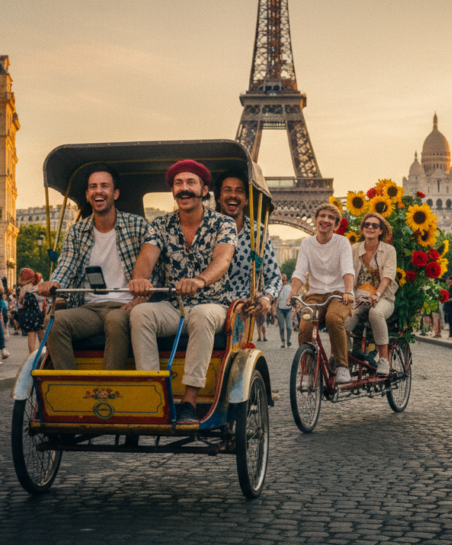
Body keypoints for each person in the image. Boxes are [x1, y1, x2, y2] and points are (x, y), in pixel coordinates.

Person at [128, 160, 236, 423]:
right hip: (173, 305)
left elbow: (222, 260)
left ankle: (189, 400)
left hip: (213, 303)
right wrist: (140, 279)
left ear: (204, 189)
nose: (183, 189)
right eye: (178, 184)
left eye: (190, 183)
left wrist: (200, 280)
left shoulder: (223, 223)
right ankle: (154, 394)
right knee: (141, 314)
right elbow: (147, 255)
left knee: (201, 315)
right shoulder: (161, 224)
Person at [37, 168, 149, 370]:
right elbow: (66, 265)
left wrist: (140, 299)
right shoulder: (77, 231)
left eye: (104, 186)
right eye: (93, 187)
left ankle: (109, 388)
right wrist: (53, 282)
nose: (99, 191)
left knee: (115, 321)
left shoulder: (138, 226)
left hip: (124, 306)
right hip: (89, 308)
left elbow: (153, 266)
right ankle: (68, 386)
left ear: (115, 194)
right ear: (88, 196)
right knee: (55, 321)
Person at [286, 203, 356, 384]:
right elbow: (300, 271)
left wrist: (348, 291)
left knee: (334, 319)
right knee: (305, 327)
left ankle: (342, 366)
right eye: (322, 216)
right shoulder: (306, 244)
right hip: (315, 295)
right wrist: (293, 292)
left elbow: (348, 269)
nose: (325, 220)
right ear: (316, 219)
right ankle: (308, 371)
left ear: (336, 224)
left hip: (339, 294)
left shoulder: (342, 242)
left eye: (331, 218)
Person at [212, 168, 281, 345]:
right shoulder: (204, 230)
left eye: (239, 191)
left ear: (247, 199)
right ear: (218, 197)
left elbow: (274, 276)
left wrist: (266, 298)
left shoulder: (258, 233)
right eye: (227, 190)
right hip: (209, 307)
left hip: (243, 310)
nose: (233, 195)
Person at [343, 212, 398, 375]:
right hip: (358, 298)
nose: (370, 227)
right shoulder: (354, 249)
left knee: (375, 313)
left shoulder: (389, 250)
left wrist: (377, 295)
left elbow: (387, 276)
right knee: (342, 321)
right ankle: (343, 359)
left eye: (375, 225)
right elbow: (348, 273)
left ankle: (383, 359)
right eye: (366, 224)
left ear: (381, 231)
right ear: (362, 228)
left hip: (383, 298)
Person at [275, 274, 293, 348]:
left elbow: (293, 296)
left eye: (285, 280)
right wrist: (273, 309)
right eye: (282, 280)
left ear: (286, 280)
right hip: (280, 309)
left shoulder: (289, 287)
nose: (283, 282)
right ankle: (283, 342)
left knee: (289, 327)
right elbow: (275, 298)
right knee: (281, 327)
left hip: (288, 309)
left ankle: (288, 341)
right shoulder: (277, 288)